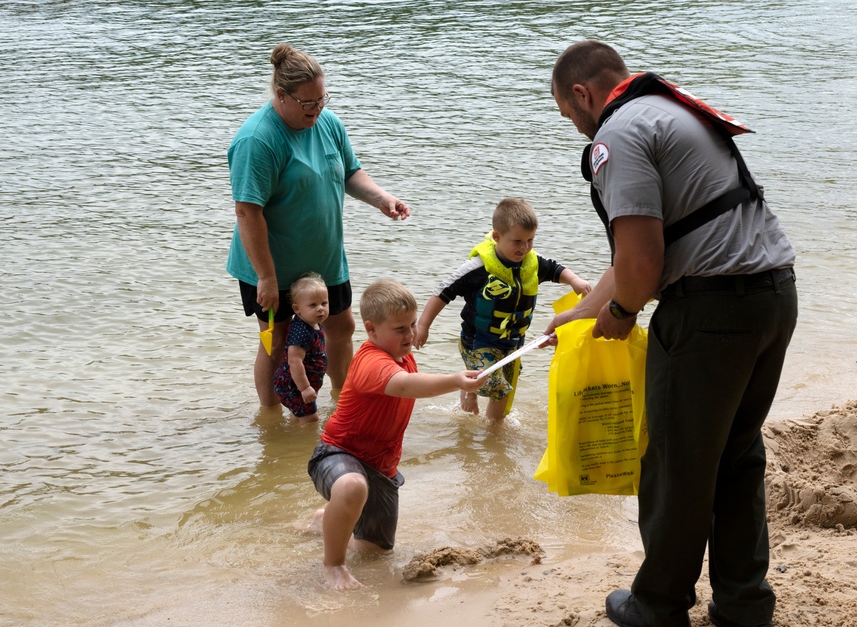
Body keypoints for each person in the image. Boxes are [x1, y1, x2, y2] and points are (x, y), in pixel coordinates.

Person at [547, 41, 798, 627]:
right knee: (737, 452)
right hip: (773, 296)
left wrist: (622, 313)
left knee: (675, 463)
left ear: (582, 94)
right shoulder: (668, 110)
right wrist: (582, 312)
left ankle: (658, 605)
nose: (573, 125)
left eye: (566, 113)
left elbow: (643, 259)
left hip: (710, 312)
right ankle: (744, 603)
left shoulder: (616, 134)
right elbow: (655, 241)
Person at [226, 43, 410, 408]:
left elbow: (350, 172)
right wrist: (265, 277)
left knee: (342, 329)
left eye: (322, 99)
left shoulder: (328, 122)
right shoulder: (257, 140)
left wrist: (381, 198)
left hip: (325, 261)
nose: (317, 109)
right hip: (272, 267)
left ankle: (346, 402)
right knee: (278, 342)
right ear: (281, 95)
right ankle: (272, 416)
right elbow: (247, 212)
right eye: (308, 103)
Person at [306, 279, 487, 589]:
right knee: (351, 486)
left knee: (376, 552)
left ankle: (326, 520)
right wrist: (456, 381)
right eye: (400, 329)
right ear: (371, 329)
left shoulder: (401, 354)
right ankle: (333, 566)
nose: (410, 334)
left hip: (381, 469)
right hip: (336, 454)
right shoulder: (370, 360)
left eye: (413, 325)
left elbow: (413, 381)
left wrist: (466, 389)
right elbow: (403, 385)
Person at [414, 197, 591, 420]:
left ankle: (494, 429)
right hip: (477, 342)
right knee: (497, 388)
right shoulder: (479, 268)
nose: (525, 248)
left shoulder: (531, 262)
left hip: (512, 343)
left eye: (530, 240)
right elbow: (443, 292)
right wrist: (423, 325)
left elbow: (556, 269)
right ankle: (469, 388)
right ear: (497, 236)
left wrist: (574, 280)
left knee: (505, 392)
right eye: (517, 241)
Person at [272, 272, 329, 423]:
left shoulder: (313, 323)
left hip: (302, 384)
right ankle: (302, 445)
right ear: (297, 309)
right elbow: (294, 361)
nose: (320, 309)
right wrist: (304, 388)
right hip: (293, 385)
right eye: (313, 305)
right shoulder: (301, 331)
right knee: (311, 420)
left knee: (300, 416)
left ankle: (291, 435)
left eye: (324, 303)